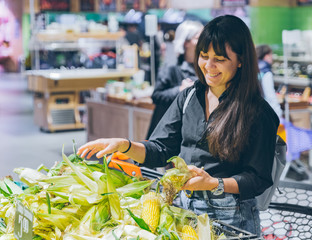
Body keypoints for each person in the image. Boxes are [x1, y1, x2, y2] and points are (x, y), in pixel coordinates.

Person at [77, 15, 279, 236]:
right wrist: (124, 145)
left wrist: (213, 183)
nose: (208, 66)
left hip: (231, 218)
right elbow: (161, 150)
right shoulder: (189, 97)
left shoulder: (258, 113)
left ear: (240, 60)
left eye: (219, 59)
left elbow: (258, 179)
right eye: (204, 56)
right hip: (182, 209)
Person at [146, 20, 204, 139]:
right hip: (170, 132)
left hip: (193, 129)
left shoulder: (205, 66)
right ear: (186, 42)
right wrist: (180, 90)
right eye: (198, 37)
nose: (204, 41)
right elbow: (156, 95)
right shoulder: (172, 66)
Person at [256, 44, 283, 117]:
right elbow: (270, 96)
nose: (272, 58)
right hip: (265, 112)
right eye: (271, 55)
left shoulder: (253, 69)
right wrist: (278, 113)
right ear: (267, 56)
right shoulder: (266, 72)